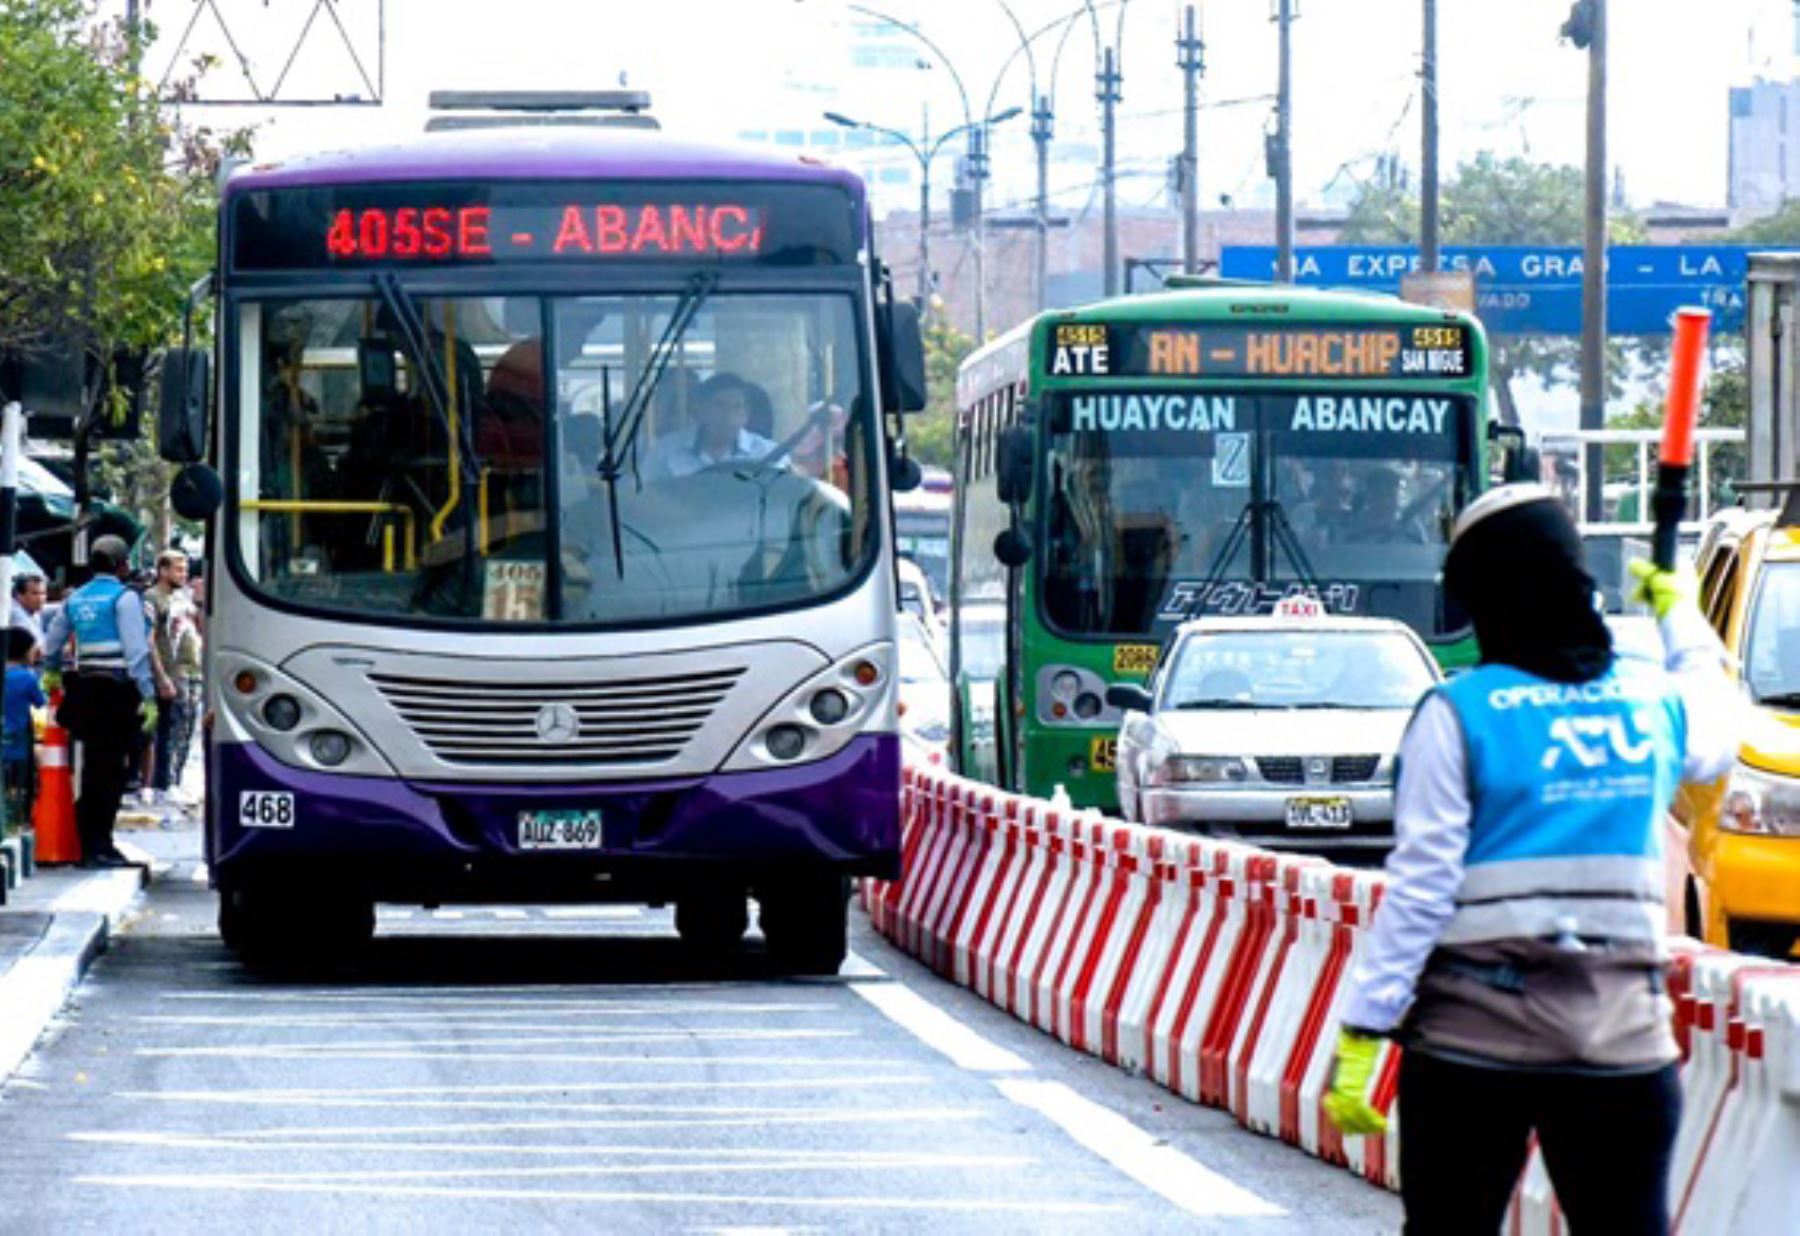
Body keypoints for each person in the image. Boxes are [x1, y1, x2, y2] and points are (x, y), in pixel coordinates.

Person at [1323, 483, 1741, 1235]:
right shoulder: (1652, 705)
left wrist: (1364, 1026)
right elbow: (1723, 719)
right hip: (1621, 1041)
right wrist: (1679, 610)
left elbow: (1422, 891)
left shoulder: (1457, 715)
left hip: (1470, 1047)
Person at [41, 535, 158, 868]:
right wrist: (147, 695)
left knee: (95, 767)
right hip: (117, 692)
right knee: (114, 771)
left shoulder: (76, 598)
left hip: (86, 690)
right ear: (122, 565)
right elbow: (136, 652)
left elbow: (53, 642)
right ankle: (98, 845)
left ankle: (91, 841)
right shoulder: (124, 599)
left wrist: (51, 673)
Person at [643, 373, 780, 479]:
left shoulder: (768, 455)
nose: (727, 416)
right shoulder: (665, 452)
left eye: (736, 407)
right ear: (701, 410)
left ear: (746, 415)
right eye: (719, 405)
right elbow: (646, 498)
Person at [143, 550, 188, 805]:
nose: (183, 574)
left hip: (180, 672)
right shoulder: (151, 598)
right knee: (153, 730)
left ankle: (168, 780)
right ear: (163, 571)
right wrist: (161, 677)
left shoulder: (180, 597)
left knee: (175, 727)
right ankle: (151, 783)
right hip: (159, 674)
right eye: (178, 569)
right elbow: (149, 641)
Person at [2, 626, 45, 835]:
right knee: (20, 786)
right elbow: (41, 703)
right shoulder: (26, 678)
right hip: (18, 743)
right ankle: (19, 822)